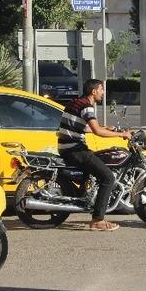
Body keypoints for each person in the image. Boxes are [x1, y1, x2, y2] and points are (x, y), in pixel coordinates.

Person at [58, 79, 131, 232]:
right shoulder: (86, 106)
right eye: (101, 89)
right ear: (93, 91)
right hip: (75, 149)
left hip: (67, 148)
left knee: (95, 164)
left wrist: (107, 128)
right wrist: (121, 134)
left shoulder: (76, 103)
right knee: (108, 177)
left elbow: (84, 127)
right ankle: (98, 220)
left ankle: (84, 198)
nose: (103, 92)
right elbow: (98, 132)